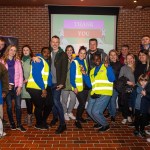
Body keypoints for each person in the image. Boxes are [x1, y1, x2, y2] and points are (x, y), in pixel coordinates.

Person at [83, 53, 115, 132]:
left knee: (95, 111)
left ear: (101, 59)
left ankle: (105, 125)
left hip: (104, 93)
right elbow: (90, 85)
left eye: (98, 58)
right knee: (89, 110)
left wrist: (108, 68)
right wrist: (84, 75)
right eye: (95, 59)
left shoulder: (106, 66)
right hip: (94, 93)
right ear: (92, 61)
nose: (97, 60)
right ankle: (99, 122)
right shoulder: (92, 71)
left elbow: (112, 79)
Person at [0, 45, 26, 132]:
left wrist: (19, 87)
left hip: (16, 88)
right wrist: (6, 85)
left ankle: (19, 124)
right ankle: (12, 123)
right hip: (7, 88)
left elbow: (21, 75)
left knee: (18, 106)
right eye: (11, 50)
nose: (13, 52)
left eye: (14, 50)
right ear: (8, 50)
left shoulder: (17, 62)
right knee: (9, 106)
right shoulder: (2, 61)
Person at [27, 47, 53, 130]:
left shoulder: (45, 62)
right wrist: (43, 88)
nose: (47, 54)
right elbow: (36, 75)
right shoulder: (38, 60)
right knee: (39, 106)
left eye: (48, 53)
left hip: (40, 87)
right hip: (34, 87)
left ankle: (42, 121)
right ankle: (38, 124)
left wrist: (49, 86)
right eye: (44, 52)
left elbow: (46, 76)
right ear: (41, 53)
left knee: (49, 103)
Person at [49, 35, 68, 134]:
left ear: (59, 43)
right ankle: (55, 118)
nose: (55, 44)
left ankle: (63, 124)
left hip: (57, 83)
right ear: (50, 43)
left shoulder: (63, 54)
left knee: (57, 102)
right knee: (52, 103)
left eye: (57, 42)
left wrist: (62, 83)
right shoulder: (48, 53)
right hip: (49, 83)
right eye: (53, 42)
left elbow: (64, 70)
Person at [70, 46, 89, 129]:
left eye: (84, 53)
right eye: (81, 53)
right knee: (82, 103)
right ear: (78, 53)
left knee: (83, 103)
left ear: (85, 55)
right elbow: (71, 76)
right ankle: (77, 120)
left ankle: (80, 117)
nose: (82, 54)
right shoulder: (75, 62)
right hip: (78, 87)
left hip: (85, 86)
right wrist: (74, 87)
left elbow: (85, 74)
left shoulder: (84, 61)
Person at [119, 54, 135, 124]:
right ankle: (126, 116)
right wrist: (127, 82)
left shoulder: (137, 67)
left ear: (133, 59)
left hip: (136, 89)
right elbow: (120, 78)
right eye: (127, 58)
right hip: (126, 88)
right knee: (126, 103)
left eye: (131, 58)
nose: (129, 60)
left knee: (133, 103)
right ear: (126, 60)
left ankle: (130, 115)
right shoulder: (123, 68)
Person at [61, 45, 76, 121]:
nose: (69, 51)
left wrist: (73, 61)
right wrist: (69, 62)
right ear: (65, 51)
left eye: (71, 50)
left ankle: (69, 112)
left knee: (73, 99)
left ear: (73, 51)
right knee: (64, 100)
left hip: (73, 84)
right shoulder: (63, 59)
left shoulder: (76, 60)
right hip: (65, 83)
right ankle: (65, 113)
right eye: (68, 50)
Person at [107, 50, 122, 122]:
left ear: (117, 56)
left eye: (114, 55)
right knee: (108, 100)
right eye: (111, 55)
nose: (113, 56)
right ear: (109, 56)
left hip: (115, 86)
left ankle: (113, 114)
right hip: (107, 86)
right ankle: (110, 112)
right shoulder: (107, 64)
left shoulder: (120, 64)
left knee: (112, 100)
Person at [21, 45, 34, 126]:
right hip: (22, 84)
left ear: (30, 51)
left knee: (29, 101)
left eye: (27, 50)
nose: (25, 51)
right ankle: (30, 115)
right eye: (24, 50)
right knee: (27, 100)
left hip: (30, 83)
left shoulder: (32, 60)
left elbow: (34, 73)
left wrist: (28, 79)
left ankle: (29, 116)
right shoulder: (20, 60)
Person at [0, 62, 9, 137]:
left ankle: (0, 131)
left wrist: (4, 91)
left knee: (0, 113)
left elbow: (5, 79)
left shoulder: (1, 66)